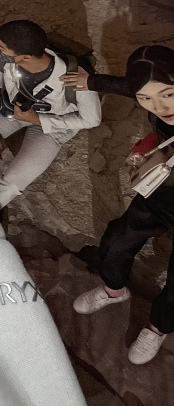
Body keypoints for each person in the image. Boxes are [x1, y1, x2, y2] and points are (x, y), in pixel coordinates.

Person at [68, 44, 174, 366]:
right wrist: (90, 81)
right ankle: (114, 291)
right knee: (116, 242)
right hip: (161, 192)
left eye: (168, 94)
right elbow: (126, 87)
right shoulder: (151, 99)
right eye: (146, 98)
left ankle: (158, 327)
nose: (159, 106)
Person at [0, 19, 101, 209]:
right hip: (10, 111)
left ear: (25, 57)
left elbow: (91, 119)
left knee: (12, 183)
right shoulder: (1, 57)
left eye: (1, 48)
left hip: (53, 126)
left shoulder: (76, 78)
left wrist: (38, 119)